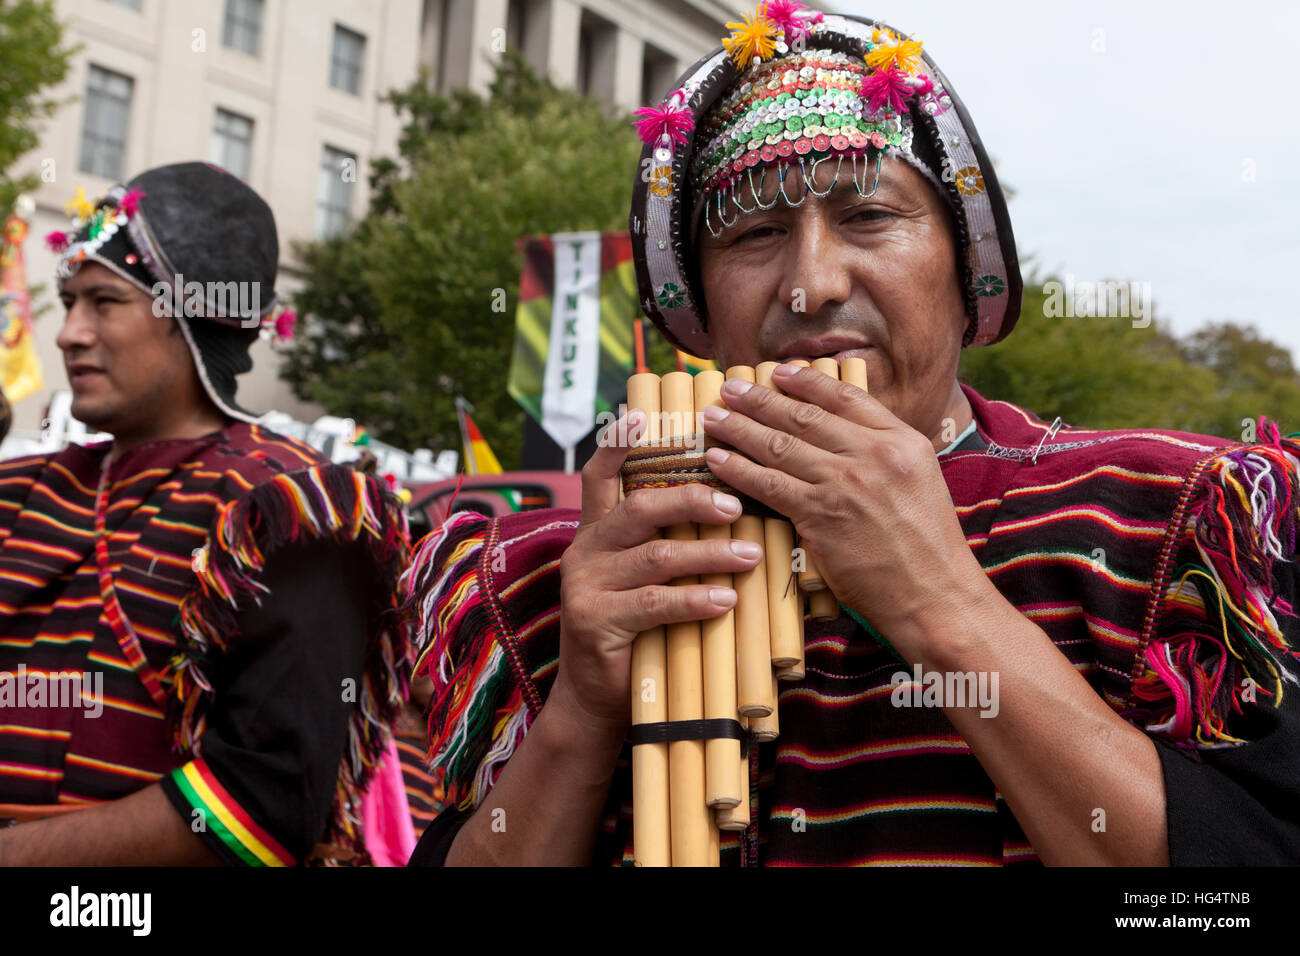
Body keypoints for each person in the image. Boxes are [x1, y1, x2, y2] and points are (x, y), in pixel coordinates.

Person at [402, 4, 1300, 866]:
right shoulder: (554, 576)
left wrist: (943, 606)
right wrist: (586, 709)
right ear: (702, 318)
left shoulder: (1169, 526)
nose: (812, 284)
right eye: (754, 233)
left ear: (966, 274)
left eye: (870, 216)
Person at [0, 162, 412, 866]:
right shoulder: (19, 489)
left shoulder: (290, 507)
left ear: (194, 314)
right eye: (68, 301)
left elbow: (263, 804)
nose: (68, 333)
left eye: (103, 301)